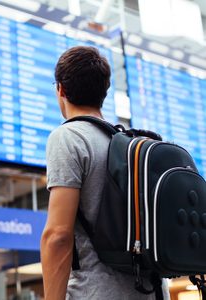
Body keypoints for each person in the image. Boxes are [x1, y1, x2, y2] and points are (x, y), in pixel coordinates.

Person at [40, 46, 170, 300]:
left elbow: (57, 235)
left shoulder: (69, 137)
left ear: (61, 90)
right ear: (104, 93)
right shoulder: (131, 145)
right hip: (152, 292)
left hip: (97, 292)